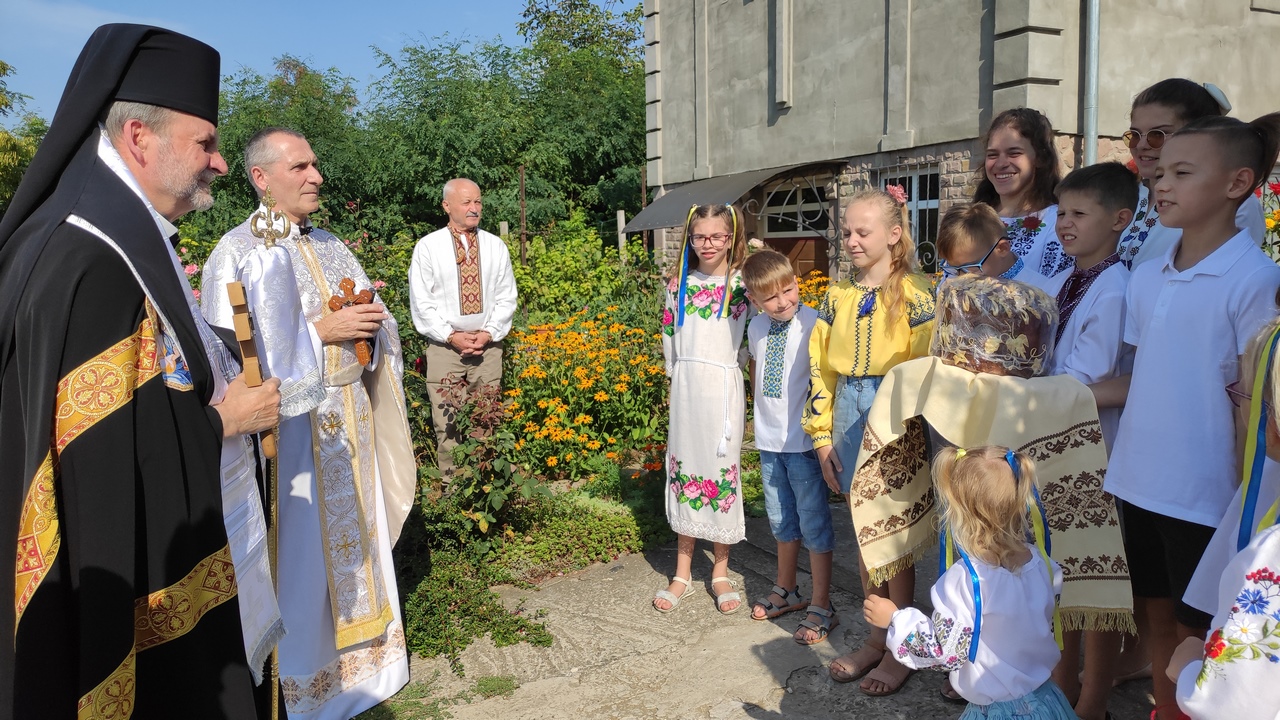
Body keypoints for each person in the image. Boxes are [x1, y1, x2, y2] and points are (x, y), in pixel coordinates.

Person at [0, 24, 282, 718]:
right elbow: (98, 455)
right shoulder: (93, 259)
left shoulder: (108, 230)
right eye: (206, 143)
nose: (218, 162)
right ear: (138, 139)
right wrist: (222, 419)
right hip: (121, 599)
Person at [202, 127, 416, 720]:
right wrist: (321, 332)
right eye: (300, 166)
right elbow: (226, 359)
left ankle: (371, 669)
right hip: (291, 439)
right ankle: (302, 685)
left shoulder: (331, 244)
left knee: (359, 551)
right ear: (261, 178)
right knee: (299, 563)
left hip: (350, 424)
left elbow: (376, 316)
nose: (316, 176)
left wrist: (375, 324)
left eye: (315, 164)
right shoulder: (237, 251)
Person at [1104, 111, 1280, 720]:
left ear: (1237, 184)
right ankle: (1163, 708)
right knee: (1151, 610)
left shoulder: (1256, 278)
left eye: (1182, 172)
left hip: (1207, 491)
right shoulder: (1146, 276)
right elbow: (1141, 374)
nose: (1162, 185)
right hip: (1135, 477)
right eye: (1161, 173)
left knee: (1199, 628)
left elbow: (1254, 401)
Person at [805, 187, 936, 697]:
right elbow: (820, 369)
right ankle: (876, 637)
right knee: (864, 532)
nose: (851, 241)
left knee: (895, 536)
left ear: (894, 234)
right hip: (846, 414)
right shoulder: (835, 296)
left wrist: (908, 428)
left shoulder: (920, 294)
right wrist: (820, 436)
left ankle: (901, 646)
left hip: (896, 414)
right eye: (846, 231)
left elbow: (926, 370)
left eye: (863, 231)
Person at [865, 446, 1075, 720]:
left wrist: (895, 619)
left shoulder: (966, 580)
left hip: (997, 711)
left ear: (958, 513)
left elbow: (946, 651)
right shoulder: (1043, 565)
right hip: (1044, 701)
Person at [1041, 162, 1137, 720]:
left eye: (1080, 213)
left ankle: (1094, 693)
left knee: (1093, 576)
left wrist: (1021, 391)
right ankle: (1060, 678)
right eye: (1061, 213)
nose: (1065, 224)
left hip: (1094, 451)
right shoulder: (1065, 279)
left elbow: (1086, 375)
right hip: (1057, 444)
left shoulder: (1115, 288)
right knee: (1061, 572)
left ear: (1120, 219)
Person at [1167, 318, 1280, 718]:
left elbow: (1230, 700)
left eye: (1242, 397)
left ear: (1272, 420)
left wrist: (1188, 667)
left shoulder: (1272, 554)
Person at [653, 204, 754, 615]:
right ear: (689, 240)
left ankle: (720, 572)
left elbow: (751, 336)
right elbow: (669, 334)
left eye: (717, 236)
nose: (708, 244)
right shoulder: (678, 284)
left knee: (720, 474)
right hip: (688, 390)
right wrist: (675, 376)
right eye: (700, 237)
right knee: (685, 470)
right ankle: (682, 572)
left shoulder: (744, 284)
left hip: (724, 389)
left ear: (732, 237)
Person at [741, 250, 835, 644]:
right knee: (780, 520)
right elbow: (756, 377)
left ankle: (822, 601)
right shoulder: (755, 328)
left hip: (803, 444)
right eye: (771, 297)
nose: (783, 302)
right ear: (753, 299)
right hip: (768, 443)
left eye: (789, 289)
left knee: (813, 521)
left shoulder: (815, 322)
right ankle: (788, 589)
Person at [409, 178, 518, 479]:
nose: (474, 208)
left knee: (488, 420)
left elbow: (507, 295)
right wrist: (450, 335)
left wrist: (488, 332)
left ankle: (486, 488)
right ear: (446, 206)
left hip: (488, 348)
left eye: (478, 202)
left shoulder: (495, 246)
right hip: (445, 349)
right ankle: (453, 495)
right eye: (466, 202)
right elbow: (422, 301)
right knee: (448, 423)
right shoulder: (429, 247)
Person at [1118, 79, 1266, 268]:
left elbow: (1234, 277)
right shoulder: (1128, 193)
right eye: (1135, 135)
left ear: (1198, 134)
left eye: (1158, 134)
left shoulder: (1235, 203)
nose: (1141, 145)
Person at [973, 108, 1071, 277]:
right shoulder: (973, 220)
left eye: (1014, 153)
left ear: (1040, 158)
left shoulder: (1057, 223)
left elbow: (1053, 293)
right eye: (992, 155)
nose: (1001, 163)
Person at [937, 202, 1053, 291]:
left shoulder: (1040, 290)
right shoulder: (952, 285)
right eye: (953, 269)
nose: (961, 278)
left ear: (1002, 249)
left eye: (969, 268)